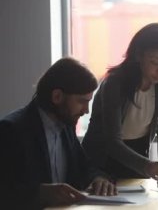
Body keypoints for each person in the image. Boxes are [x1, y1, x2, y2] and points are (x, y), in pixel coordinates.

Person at [0, 58, 116, 209]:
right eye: (82, 101)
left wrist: (98, 178)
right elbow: (5, 192)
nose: (86, 110)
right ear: (57, 97)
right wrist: (40, 194)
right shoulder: (11, 130)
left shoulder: (66, 124)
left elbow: (84, 167)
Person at [82, 23, 158, 187]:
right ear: (138, 56)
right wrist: (147, 166)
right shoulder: (115, 82)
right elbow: (112, 141)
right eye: (155, 63)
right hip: (102, 159)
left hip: (137, 154)